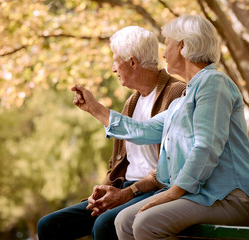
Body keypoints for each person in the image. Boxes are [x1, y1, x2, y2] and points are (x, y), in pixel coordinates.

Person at [71, 15, 249, 240]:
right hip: (199, 195)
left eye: (168, 45)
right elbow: (142, 131)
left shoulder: (214, 83)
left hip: (228, 198)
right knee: (124, 221)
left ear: (183, 46)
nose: (163, 54)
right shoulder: (182, 100)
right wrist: (95, 109)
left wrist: (172, 193)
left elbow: (206, 147)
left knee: (146, 223)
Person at [37, 26, 185, 240]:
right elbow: (119, 162)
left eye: (116, 61)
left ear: (133, 62)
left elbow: (171, 168)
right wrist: (101, 192)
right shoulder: (132, 102)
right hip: (124, 188)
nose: (113, 69)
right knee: (49, 226)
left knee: (105, 225)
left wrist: (127, 193)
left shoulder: (177, 93)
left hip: (154, 190)